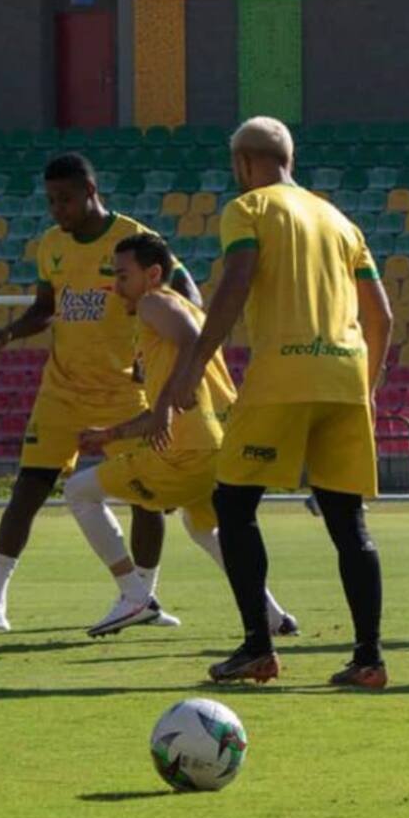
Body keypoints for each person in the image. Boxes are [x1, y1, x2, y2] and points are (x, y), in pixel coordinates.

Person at [169, 116, 394, 689]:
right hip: (345, 377)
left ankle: (257, 649)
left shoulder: (247, 210)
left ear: (244, 163)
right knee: (349, 523)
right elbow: (383, 316)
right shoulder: (340, 220)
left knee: (235, 504)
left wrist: (193, 361)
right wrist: (365, 386)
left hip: (283, 375)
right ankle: (368, 658)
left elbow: (237, 282)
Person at [0, 152, 201, 631]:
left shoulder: (135, 240)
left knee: (147, 495)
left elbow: (188, 294)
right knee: (30, 488)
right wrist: (12, 332)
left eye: (66, 199)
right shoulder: (51, 246)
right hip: (61, 391)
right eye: (52, 200)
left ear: (91, 192)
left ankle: (143, 596)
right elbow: (45, 307)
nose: (58, 209)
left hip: (124, 392)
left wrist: (157, 352)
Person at [64, 232, 297, 638]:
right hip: (219, 444)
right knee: (203, 529)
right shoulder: (184, 308)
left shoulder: (155, 302)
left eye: (122, 276)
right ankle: (274, 616)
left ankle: (134, 595)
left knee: (79, 491)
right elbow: (179, 383)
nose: (116, 287)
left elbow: (189, 348)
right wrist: (112, 434)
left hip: (188, 449)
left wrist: (163, 410)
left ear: (152, 274)